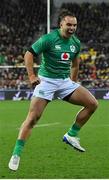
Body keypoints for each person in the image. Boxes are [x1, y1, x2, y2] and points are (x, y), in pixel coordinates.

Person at [8, 9, 98, 171]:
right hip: (46, 82)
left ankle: (71, 135)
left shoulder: (75, 43)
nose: (72, 28)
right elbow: (29, 54)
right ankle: (16, 153)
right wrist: (31, 76)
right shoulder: (49, 39)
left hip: (64, 82)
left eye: (75, 25)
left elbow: (76, 64)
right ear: (61, 24)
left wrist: (73, 83)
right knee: (33, 118)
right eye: (69, 24)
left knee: (92, 104)